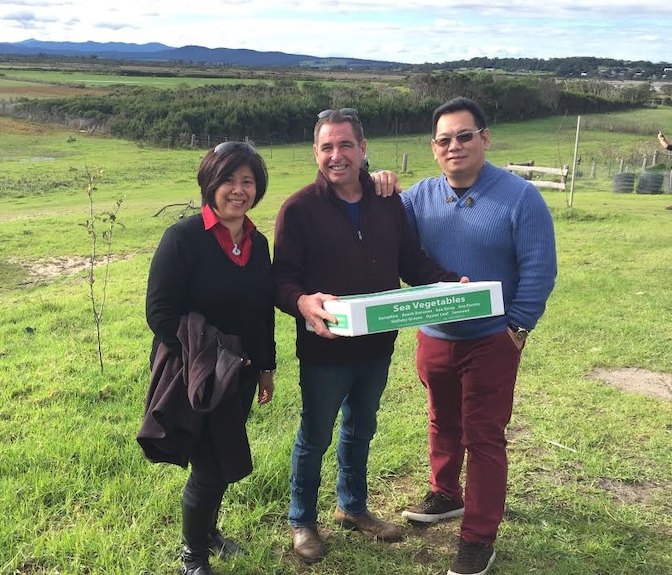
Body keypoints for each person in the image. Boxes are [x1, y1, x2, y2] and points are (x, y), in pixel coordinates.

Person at [371, 96, 557, 575]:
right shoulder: (418, 199)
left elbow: (538, 267)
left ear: (485, 139)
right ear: (434, 149)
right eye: (444, 140)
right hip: (434, 335)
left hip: (492, 338)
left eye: (464, 136)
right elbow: (386, 228)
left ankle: (478, 536)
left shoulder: (520, 197)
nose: (455, 146)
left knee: (485, 436)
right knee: (441, 418)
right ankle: (446, 492)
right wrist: (376, 185)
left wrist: (516, 327)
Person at [272, 108, 463, 563]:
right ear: (315, 153)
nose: (336, 155)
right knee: (315, 435)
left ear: (363, 148)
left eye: (345, 145)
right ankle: (302, 520)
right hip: (325, 348)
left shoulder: (388, 202)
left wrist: (447, 282)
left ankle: (352, 508)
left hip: (377, 345)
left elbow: (410, 261)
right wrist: (301, 302)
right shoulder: (298, 209)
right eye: (326, 147)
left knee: (361, 430)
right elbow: (281, 280)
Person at [138, 141, 276, 575]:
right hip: (197, 374)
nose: (239, 190)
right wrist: (203, 361)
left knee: (222, 456)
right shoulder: (183, 238)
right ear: (210, 184)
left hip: (243, 373)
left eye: (247, 181)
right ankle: (193, 555)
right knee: (211, 467)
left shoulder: (258, 242)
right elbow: (159, 313)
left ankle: (208, 533)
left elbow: (262, 312)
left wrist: (266, 367)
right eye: (229, 180)